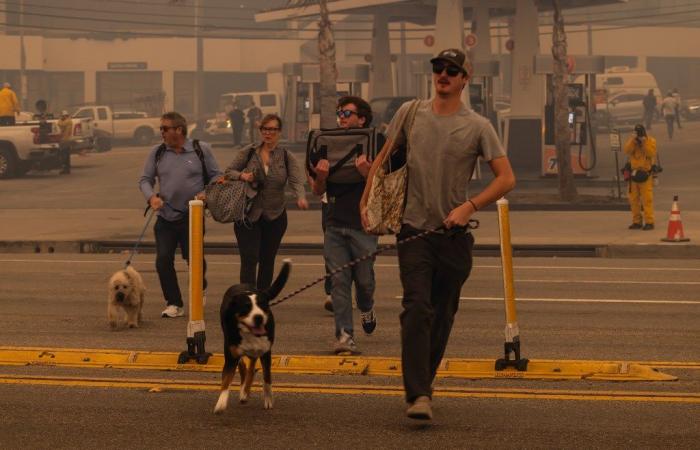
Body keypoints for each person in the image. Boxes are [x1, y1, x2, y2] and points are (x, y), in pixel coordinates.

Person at [360, 48, 515, 421]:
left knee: (442, 314)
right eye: (438, 68)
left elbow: (506, 178)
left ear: (465, 79)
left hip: (453, 235)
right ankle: (417, 395)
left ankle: (423, 385)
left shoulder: (478, 126)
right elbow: (383, 159)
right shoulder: (410, 114)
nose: (443, 74)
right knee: (416, 308)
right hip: (413, 231)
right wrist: (366, 202)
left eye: (452, 70)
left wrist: (470, 207)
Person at [308, 96, 380, 354]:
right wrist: (321, 177)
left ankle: (367, 306)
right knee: (339, 282)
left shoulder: (374, 143)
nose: (342, 117)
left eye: (347, 113)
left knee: (364, 282)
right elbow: (317, 190)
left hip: (364, 226)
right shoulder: (327, 145)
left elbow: (385, 189)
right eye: (340, 113)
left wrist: (366, 173)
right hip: (335, 224)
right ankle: (344, 337)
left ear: (362, 118)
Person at [139, 111, 222, 318]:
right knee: (163, 260)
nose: (162, 133)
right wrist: (151, 198)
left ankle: (200, 287)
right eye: (161, 129)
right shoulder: (157, 153)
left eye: (165, 128)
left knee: (193, 259)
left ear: (179, 130)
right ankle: (174, 303)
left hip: (192, 217)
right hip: (165, 216)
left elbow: (217, 176)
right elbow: (145, 180)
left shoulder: (201, 150)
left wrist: (206, 193)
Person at [222, 114, 308, 290]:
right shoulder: (249, 152)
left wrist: (301, 197)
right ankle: (247, 297)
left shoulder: (285, 156)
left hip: (275, 215)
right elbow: (229, 171)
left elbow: (296, 180)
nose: (268, 133)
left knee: (267, 259)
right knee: (249, 258)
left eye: (273, 129)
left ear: (279, 132)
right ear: (260, 131)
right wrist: (242, 175)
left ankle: (261, 298)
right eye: (265, 129)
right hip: (248, 214)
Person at [624, 124, 657, 231]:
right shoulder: (632, 141)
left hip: (645, 174)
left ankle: (649, 222)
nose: (638, 136)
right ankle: (636, 221)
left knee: (647, 200)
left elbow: (651, 153)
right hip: (634, 175)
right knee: (634, 200)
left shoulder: (650, 141)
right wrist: (633, 140)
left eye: (639, 133)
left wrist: (643, 143)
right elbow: (626, 151)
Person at [56, 110, 73, 175]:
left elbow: (59, 124)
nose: (62, 117)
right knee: (66, 156)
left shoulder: (68, 121)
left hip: (65, 140)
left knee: (64, 156)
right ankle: (67, 169)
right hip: (66, 140)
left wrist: (60, 119)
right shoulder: (69, 121)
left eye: (62, 116)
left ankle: (65, 169)